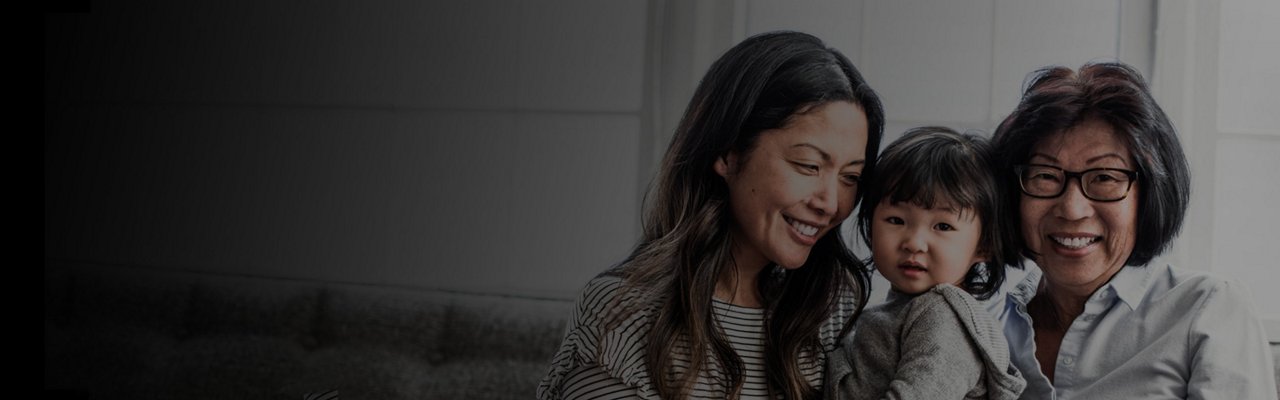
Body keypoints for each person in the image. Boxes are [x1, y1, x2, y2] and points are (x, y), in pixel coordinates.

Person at [536, 31, 884, 400]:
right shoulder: (623, 314)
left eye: (850, 177)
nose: (831, 203)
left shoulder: (831, 310)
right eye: (808, 165)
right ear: (727, 153)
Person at [988, 62, 1277, 399]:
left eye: (1105, 177)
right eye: (1045, 176)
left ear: (1148, 195)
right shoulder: (983, 323)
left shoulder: (1207, 311)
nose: (1071, 209)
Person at [826, 127, 1026, 400]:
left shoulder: (944, 317)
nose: (914, 243)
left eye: (942, 226)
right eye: (896, 220)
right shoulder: (905, 308)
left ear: (985, 245)